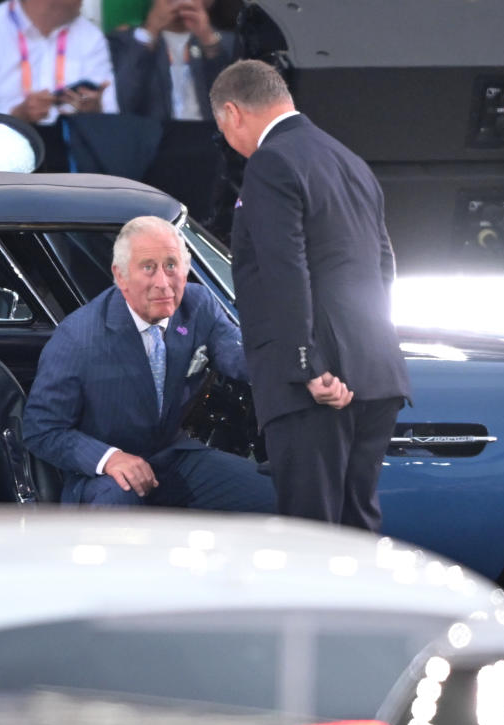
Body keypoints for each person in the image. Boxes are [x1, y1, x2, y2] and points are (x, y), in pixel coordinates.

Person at [209, 59, 410, 531]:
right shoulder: (350, 161)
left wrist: (308, 366)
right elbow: (384, 265)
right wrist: (366, 352)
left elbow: (285, 267)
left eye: (223, 127)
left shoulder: (271, 162)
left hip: (316, 388)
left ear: (234, 113)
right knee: (356, 526)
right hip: (375, 375)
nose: (229, 142)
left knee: (312, 536)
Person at [23, 215, 275, 512]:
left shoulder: (198, 306)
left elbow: (243, 357)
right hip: (102, 477)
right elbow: (42, 429)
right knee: (119, 503)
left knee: (280, 497)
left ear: (187, 267)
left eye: (171, 265)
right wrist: (110, 458)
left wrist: (306, 370)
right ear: (120, 276)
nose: (163, 283)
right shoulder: (79, 338)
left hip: (173, 457)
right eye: (148, 268)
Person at [0, 0, 117, 124]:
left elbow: (112, 117)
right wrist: (16, 117)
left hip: (74, 156)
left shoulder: (91, 35)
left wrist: (95, 112)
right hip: (1, 159)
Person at [109, 0, 232, 121]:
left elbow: (235, 104)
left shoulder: (227, 43)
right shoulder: (125, 41)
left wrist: (208, 40)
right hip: (152, 137)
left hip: (207, 136)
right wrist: (150, 31)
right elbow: (122, 102)